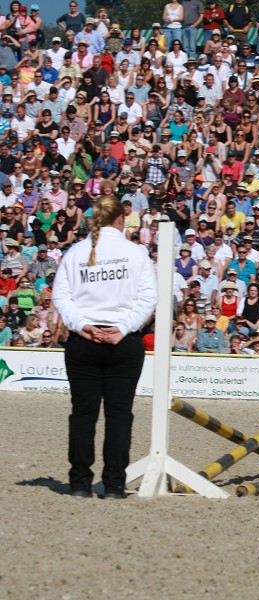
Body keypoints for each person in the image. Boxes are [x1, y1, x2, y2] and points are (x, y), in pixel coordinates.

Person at [52, 195, 157, 499]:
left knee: (83, 414)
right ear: (120, 219)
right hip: (123, 342)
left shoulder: (75, 252)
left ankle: (80, 483)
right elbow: (148, 298)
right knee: (119, 414)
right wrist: (123, 328)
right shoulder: (134, 252)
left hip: (84, 342)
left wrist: (82, 325)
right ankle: (113, 484)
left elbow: (61, 297)